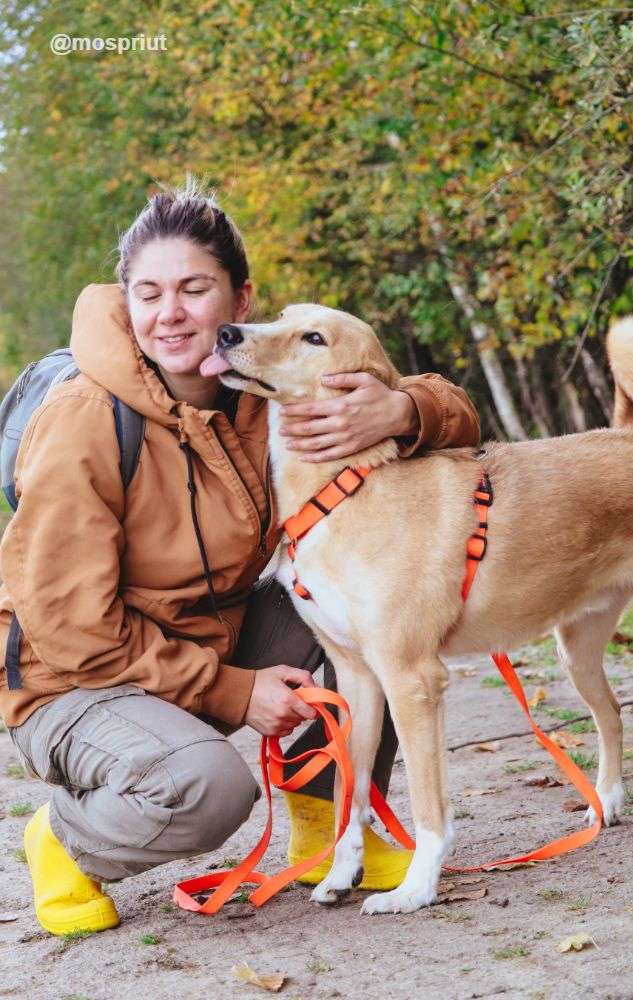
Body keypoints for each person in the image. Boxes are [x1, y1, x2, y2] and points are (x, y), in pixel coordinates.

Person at [0, 178, 480, 936]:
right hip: (73, 682)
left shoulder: (265, 382)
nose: (170, 313)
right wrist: (232, 690)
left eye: (195, 289)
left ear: (241, 298)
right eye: (149, 293)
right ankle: (63, 840)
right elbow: (71, 629)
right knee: (205, 788)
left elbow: (451, 407)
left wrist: (403, 409)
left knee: (370, 623)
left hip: (204, 637)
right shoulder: (84, 421)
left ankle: (328, 828)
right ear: (127, 303)